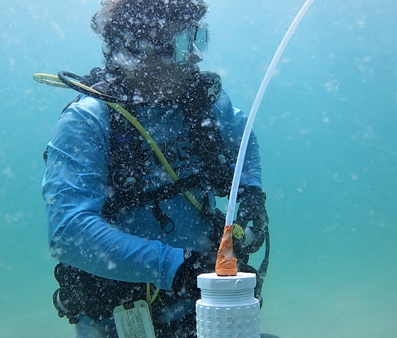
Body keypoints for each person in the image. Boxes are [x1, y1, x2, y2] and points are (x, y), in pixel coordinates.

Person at [41, 0, 269, 337]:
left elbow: (243, 135)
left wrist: (251, 189)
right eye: (180, 44)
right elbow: (69, 232)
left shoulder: (201, 103)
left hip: (202, 311)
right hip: (120, 323)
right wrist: (176, 268)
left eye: (197, 38)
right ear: (133, 47)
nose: (193, 55)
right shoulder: (88, 122)